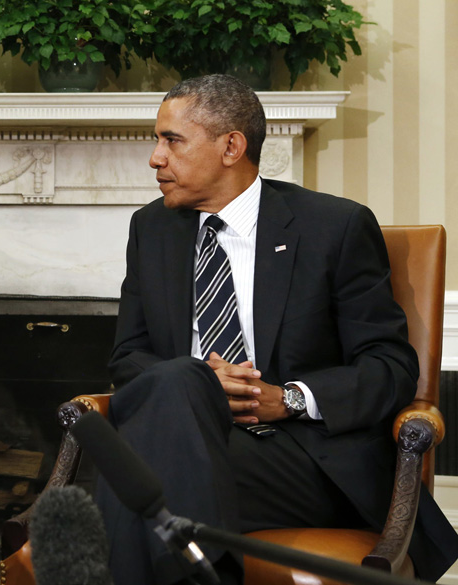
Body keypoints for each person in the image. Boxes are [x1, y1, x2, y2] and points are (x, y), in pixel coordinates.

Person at [99, 74, 458, 584]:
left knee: (137, 474)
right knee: (178, 392)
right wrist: (201, 387)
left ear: (231, 146)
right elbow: (129, 357)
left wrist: (285, 398)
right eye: (157, 141)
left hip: (302, 454)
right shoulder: (152, 228)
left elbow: (390, 367)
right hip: (190, 437)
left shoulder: (333, 227)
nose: (155, 158)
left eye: (171, 140)